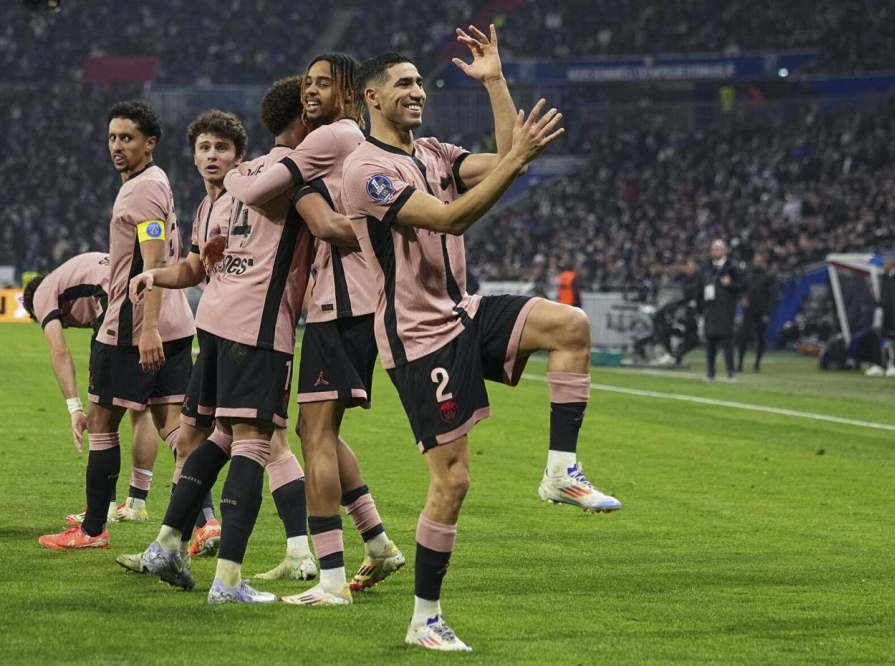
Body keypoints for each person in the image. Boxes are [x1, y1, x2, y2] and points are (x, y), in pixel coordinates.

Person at [342, 28, 619, 651]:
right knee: (453, 482)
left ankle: (561, 471)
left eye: (420, 82)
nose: (418, 91)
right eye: (404, 84)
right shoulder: (365, 170)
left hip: (462, 310)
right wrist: (517, 160)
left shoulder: (434, 152)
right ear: (371, 97)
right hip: (418, 336)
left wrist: (495, 81)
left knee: (571, 326)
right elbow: (451, 217)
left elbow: (505, 158)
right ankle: (424, 619)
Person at [132, 77, 356, 603]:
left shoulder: (245, 177)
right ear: (307, 119)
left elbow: (210, 256)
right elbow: (328, 228)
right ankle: (229, 580)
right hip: (257, 326)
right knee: (255, 443)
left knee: (219, 437)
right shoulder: (294, 176)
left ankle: (167, 543)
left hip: (214, 319)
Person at [223, 54, 404, 605]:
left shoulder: (332, 136)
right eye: (307, 82)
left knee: (316, 434)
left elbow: (256, 192)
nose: (311, 90)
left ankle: (329, 579)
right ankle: (377, 543)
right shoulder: (349, 140)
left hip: (342, 304)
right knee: (312, 430)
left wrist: (233, 172)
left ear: (349, 92)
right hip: (346, 302)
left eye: (323, 83)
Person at [39, 101, 196, 551]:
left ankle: (92, 530)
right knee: (176, 430)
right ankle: (205, 523)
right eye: (112, 137)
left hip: (131, 329)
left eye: (127, 138)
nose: (117, 146)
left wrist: (146, 330)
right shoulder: (157, 180)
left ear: (150, 143)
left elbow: (151, 265)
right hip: (176, 323)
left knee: (102, 424)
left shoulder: (140, 192)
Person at [23, 253, 160, 524]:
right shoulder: (76, 275)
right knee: (142, 408)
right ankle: (136, 504)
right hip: (147, 297)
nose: (67, 324)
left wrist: (74, 408)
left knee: (99, 415)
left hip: (116, 304)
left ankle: (103, 507)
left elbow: (59, 351)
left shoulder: (42, 293)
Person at [698, 239, 742, 382]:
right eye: (713, 249)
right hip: (710, 309)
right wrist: (699, 309)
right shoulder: (706, 268)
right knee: (710, 343)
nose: (715, 252)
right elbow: (699, 289)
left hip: (725, 310)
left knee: (727, 343)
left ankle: (731, 372)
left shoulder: (732, 268)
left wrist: (730, 284)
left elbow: (742, 286)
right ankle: (710, 373)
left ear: (724, 251)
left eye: (718, 249)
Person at [867, 254, 895, 377]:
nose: (884, 265)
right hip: (884, 312)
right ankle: (879, 364)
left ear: (892, 264)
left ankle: (894, 365)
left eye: (886, 263)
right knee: (879, 337)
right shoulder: (883, 278)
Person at [737, 252, 776, 373]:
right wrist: (743, 298)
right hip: (749, 309)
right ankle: (740, 363)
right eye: (756, 261)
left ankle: (757, 363)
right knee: (743, 335)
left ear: (763, 262)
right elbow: (741, 288)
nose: (757, 263)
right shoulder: (748, 273)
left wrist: (767, 313)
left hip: (761, 310)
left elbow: (772, 295)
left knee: (760, 337)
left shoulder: (768, 275)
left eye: (759, 261)